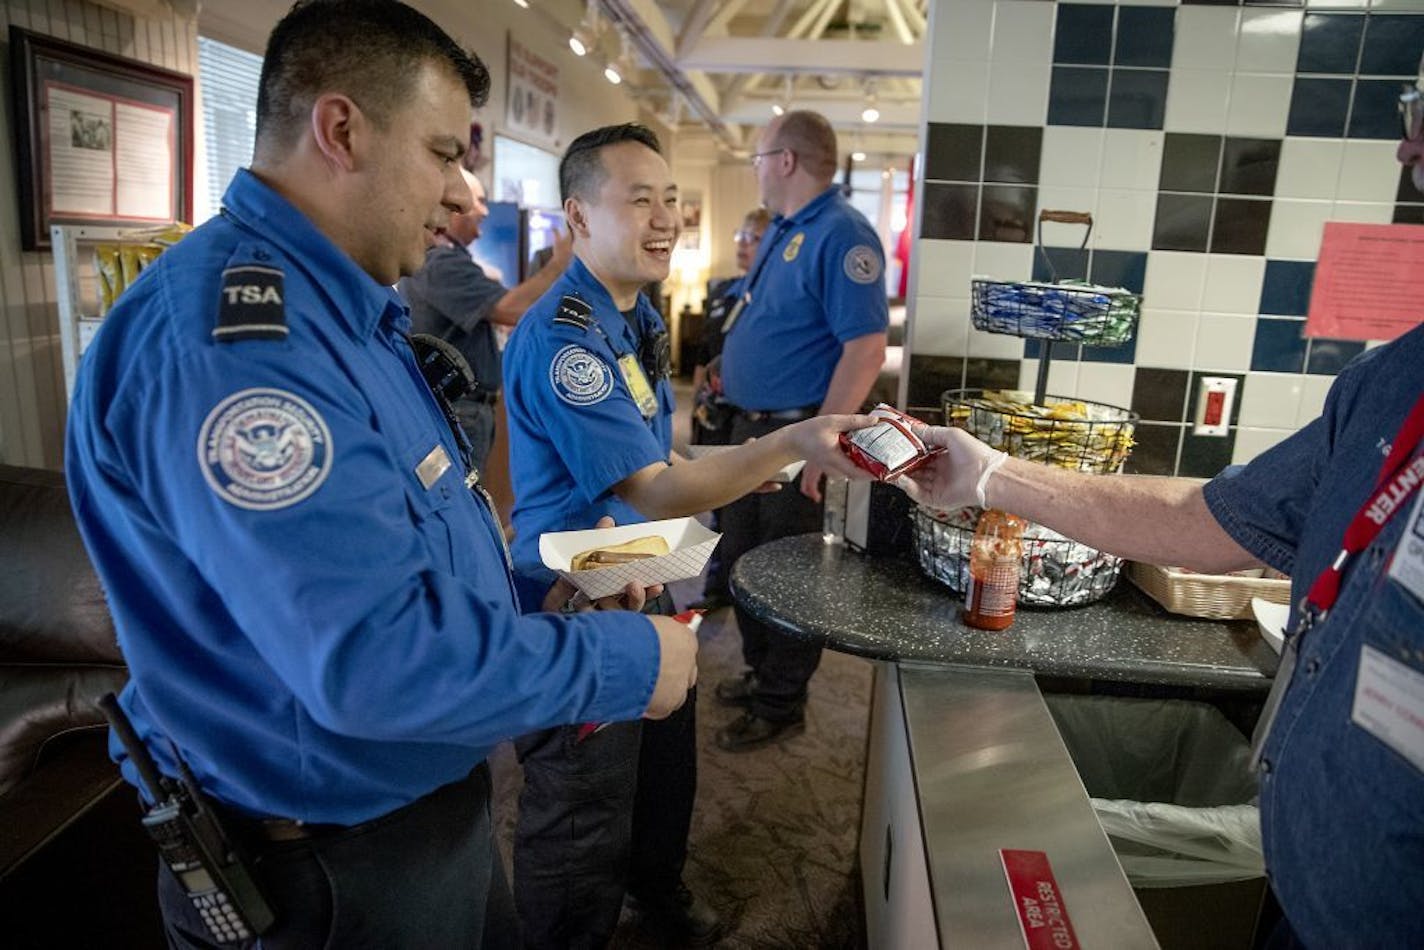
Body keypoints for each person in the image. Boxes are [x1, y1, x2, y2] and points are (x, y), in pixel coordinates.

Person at [62, 3, 697, 947]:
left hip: (416, 815)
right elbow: (373, 660)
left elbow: (409, 543)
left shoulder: (344, 312)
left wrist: (542, 592)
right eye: (444, 154)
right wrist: (631, 662)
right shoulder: (242, 346)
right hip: (329, 865)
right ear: (342, 129)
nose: (460, 191)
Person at [891, 69, 1424, 948]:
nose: (1406, 148)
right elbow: (1211, 518)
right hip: (1307, 893)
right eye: (1412, 112)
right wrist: (987, 476)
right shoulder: (1391, 385)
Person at [501, 123, 873, 948]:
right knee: (583, 801)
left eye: (671, 198)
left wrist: (759, 459)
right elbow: (660, 486)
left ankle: (656, 889)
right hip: (579, 584)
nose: (666, 217)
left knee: (667, 764)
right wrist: (788, 442)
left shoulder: (629, 314)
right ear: (578, 216)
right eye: (639, 200)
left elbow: (657, 453)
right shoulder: (567, 339)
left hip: (643, 560)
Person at [714, 110, 890, 752]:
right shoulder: (787, 229)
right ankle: (762, 674)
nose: (756, 169)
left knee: (786, 574)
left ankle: (781, 700)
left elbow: (866, 349)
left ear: (785, 161)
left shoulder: (844, 235)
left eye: (759, 157)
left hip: (793, 438)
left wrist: (825, 444)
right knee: (739, 561)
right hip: (750, 433)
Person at [399, 166, 573, 473]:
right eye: (478, 201)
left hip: (472, 408)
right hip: (460, 408)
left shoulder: (455, 260)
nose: (481, 209)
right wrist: (557, 266)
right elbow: (508, 308)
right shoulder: (440, 263)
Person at [688, 207, 771, 611]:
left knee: (736, 499)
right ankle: (716, 584)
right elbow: (705, 351)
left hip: (744, 413)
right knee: (714, 503)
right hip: (713, 413)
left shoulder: (772, 297)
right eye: (741, 236)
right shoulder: (723, 291)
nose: (743, 245)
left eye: (753, 239)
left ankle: (732, 584)